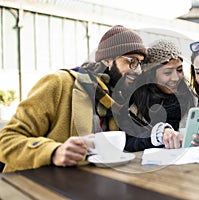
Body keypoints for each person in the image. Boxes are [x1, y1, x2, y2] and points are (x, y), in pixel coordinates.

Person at [0, 25, 147, 172]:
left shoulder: (115, 97)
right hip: (33, 186)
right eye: (132, 61)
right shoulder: (59, 83)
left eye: (140, 63)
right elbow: (6, 140)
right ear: (107, 60)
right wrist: (53, 152)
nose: (138, 71)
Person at [117, 39, 196, 152]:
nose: (176, 78)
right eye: (167, 73)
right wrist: (158, 135)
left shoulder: (193, 99)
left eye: (179, 70)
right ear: (151, 75)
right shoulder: (133, 105)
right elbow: (128, 142)